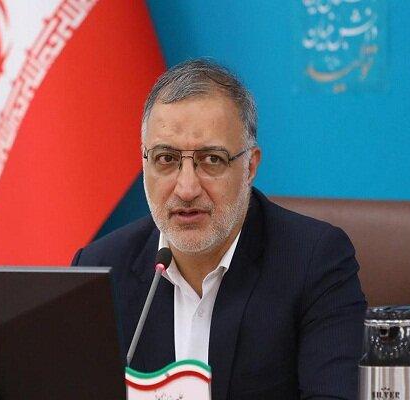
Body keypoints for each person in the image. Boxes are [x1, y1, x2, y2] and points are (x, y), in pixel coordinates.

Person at [71, 59, 366, 399]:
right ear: (144, 162)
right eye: (166, 159)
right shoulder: (101, 270)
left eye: (211, 159)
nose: (186, 189)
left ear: (250, 167)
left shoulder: (314, 262)